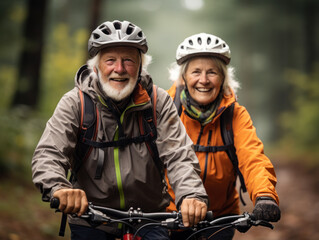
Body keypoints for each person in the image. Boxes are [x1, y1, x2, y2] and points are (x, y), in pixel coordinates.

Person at [31, 20, 208, 240]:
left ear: (140, 66)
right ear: (95, 67)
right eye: (110, 60)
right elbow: (49, 154)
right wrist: (59, 187)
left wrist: (191, 195)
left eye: (128, 61)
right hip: (91, 218)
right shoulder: (75, 103)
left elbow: (179, 155)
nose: (120, 69)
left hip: (150, 218)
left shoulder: (158, 102)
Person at [166, 33, 281, 239]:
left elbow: (252, 157)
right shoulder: (166, 109)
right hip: (168, 215)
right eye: (196, 72)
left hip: (219, 217)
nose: (203, 80)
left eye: (212, 72)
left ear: (223, 78)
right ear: (183, 77)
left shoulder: (235, 114)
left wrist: (264, 195)